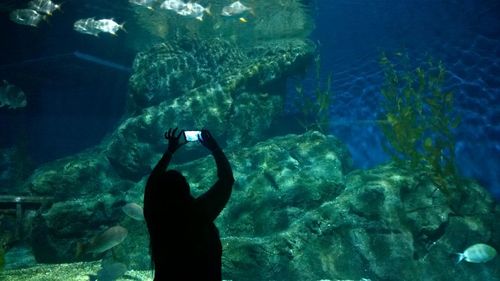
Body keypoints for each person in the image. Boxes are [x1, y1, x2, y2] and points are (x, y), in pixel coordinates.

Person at [143, 128, 235, 280]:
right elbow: (227, 180)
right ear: (186, 189)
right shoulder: (197, 215)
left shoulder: (155, 216)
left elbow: (152, 184)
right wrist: (215, 148)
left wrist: (169, 152)